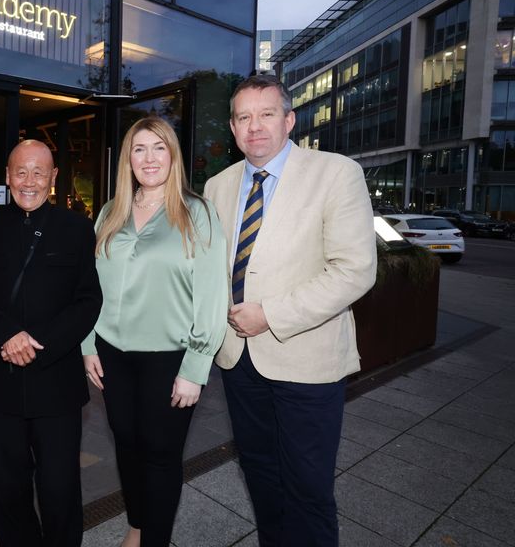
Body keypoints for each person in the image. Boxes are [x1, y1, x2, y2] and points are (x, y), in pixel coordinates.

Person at [204, 74, 377, 547]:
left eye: (266, 114)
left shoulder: (336, 172)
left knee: (308, 487)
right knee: (260, 473)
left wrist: (271, 315)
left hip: (307, 361)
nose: (254, 126)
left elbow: (354, 270)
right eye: (243, 117)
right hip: (238, 361)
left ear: (289, 119)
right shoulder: (217, 186)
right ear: (233, 128)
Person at [82, 117, 228, 547]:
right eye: (139, 148)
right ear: (128, 158)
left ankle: (154, 541)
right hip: (112, 354)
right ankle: (138, 524)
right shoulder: (112, 212)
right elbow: (90, 284)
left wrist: (196, 365)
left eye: (158, 148)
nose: (149, 158)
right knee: (126, 445)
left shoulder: (196, 212)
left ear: (173, 156)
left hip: (170, 357)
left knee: (161, 455)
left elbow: (211, 293)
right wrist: (88, 345)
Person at [0, 139, 102, 547]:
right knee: (5, 490)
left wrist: (39, 343)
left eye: (39, 172)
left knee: (60, 489)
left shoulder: (78, 228)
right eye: (20, 172)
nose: (29, 181)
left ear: (53, 177)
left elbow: (88, 299)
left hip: (56, 381)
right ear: (7, 177)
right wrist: (7, 335)